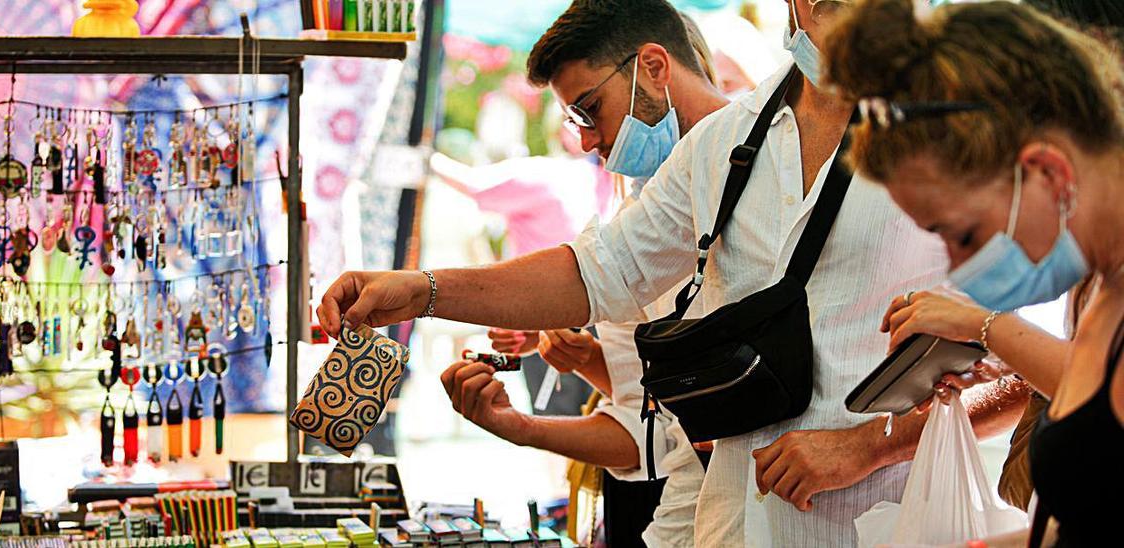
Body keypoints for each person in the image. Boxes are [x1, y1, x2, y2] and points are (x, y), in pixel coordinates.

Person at [317, 0, 1025, 544]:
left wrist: (866, 448)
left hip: (889, 523)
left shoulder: (966, 132)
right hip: (729, 526)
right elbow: (597, 271)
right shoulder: (728, 142)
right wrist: (422, 290)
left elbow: (1036, 365)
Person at [819, 0, 1124, 545]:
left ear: (1048, 171)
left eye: (963, 236)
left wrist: (988, 327)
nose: (958, 268)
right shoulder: (1102, 283)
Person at [441, 2, 730, 546]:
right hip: (697, 505)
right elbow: (650, 425)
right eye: (575, 119)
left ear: (655, 67)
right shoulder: (640, 212)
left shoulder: (768, 166)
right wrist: (526, 423)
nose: (587, 140)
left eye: (590, 109)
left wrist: (423, 291)